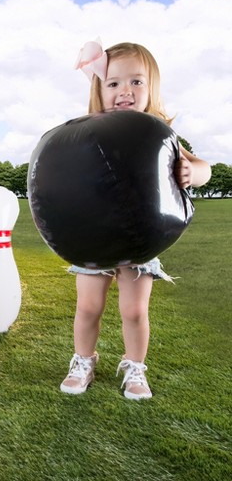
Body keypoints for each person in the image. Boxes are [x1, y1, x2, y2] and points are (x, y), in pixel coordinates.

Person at [60, 39, 211, 400]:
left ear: (151, 88)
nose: (124, 91)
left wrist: (193, 172)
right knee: (88, 305)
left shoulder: (159, 135)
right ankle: (83, 360)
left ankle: (134, 366)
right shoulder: (88, 130)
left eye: (136, 82)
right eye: (113, 83)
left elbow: (203, 167)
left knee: (133, 309)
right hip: (94, 235)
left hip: (141, 237)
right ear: (99, 88)